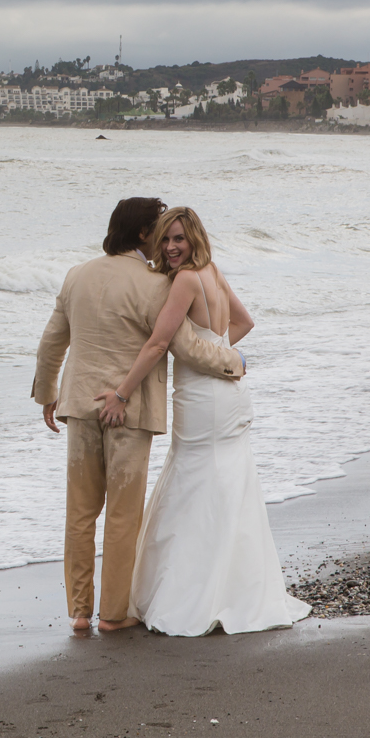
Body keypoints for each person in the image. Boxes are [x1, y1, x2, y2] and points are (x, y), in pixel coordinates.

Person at [94, 207, 311, 636]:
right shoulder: (211, 271)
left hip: (201, 397)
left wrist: (121, 394)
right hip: (228, 394)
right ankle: (239, 589)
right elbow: (243, 322)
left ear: (194, 238)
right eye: (166, 240)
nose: (172, 247)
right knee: (226, 482)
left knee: (196, 480)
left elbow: (158, 344)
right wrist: (223, 350)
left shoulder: (185, 280)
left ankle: (196, 594)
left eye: (179, 239)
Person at [32, 198, 245, 633]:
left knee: (80, 512)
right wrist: (233, 363)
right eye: (159, 231)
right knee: (123, 515)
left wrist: (47, 394)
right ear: (145, 234)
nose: (164, 240)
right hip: (128, 411)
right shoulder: (154, 285)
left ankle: (78, 611)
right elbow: (185, 346)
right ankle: (112, 614)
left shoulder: (77, 275)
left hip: (79, 405)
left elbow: (52, 340)